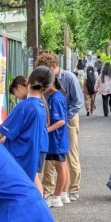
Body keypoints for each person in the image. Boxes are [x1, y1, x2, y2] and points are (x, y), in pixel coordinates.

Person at [0, 66, 51, 193]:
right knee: (33, 182)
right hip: (33, 151)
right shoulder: (41, 105)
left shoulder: (24, 107)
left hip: (21, 154)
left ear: (28, 82)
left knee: (28, 186)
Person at [35, 52, 84, 201]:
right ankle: (49, 189)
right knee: (50, 155)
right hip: (52, 120)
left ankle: (73, 189)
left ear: (53, 66)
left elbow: (78, 101)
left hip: (68, 118)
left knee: (70, 154)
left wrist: (64, 117)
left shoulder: (69, 77)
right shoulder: (46, 81)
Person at [43, 75, 69, 208]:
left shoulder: (56, 99)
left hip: (57, 139)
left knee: (61, 168)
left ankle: (56, 197)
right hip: (59, 139)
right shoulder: (56, 96)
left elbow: (61, 121)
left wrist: (46, 130)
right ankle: (63, 194)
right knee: (63, 167)